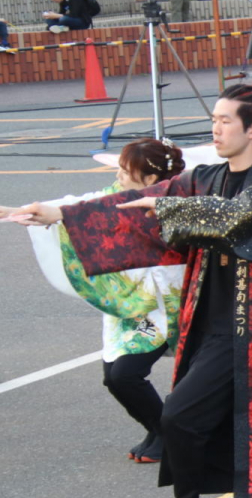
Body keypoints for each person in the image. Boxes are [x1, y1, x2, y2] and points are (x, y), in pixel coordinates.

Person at [18, 85, 252, 498]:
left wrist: (168, 206)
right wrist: (59, 214)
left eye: (225, 121)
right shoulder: (203, 177)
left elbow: (235, 218)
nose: (216, 128)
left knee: (181, 416)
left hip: (250, 326)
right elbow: (140, 204)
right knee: (209, 417)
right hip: (203, 314)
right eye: (213, 119)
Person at [2, 139, 186, 464]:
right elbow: (79, 206)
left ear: (150, 180)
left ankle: (170, 436)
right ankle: (159, 430)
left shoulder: (175, 203)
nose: (119, 175)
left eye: (126, 171)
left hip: (166, 302)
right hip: (129, 300)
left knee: (125, 375)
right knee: (114, 375)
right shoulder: (113, 195)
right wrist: (16, 212)